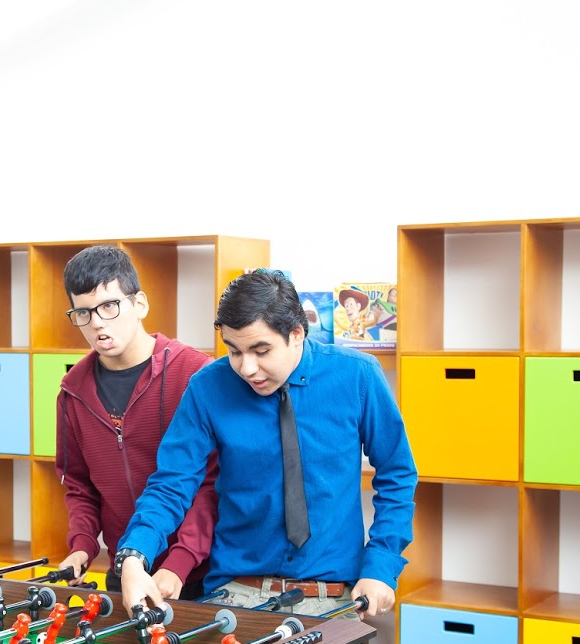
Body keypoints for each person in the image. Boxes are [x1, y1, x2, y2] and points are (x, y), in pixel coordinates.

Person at [117, 268, 417, 618]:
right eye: (234, 351)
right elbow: (171, 484)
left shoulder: (358, 376)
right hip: (233, 594)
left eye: (261, 351)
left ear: (296, 334)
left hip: (335, 597)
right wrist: (135, 556)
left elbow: (397, 473)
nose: (246, 368)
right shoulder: (207, 388)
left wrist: (381, 565)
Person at [54, 245, 216, 600]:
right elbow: (79, 486)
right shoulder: (72, 392)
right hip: (126, 572)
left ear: (139, 304)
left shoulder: (195, 375)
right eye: (83, 312)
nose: (96, 322)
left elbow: (212, 484)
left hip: (203, 572)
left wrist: (180, 560)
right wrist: (82, 545)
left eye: (108, 307)